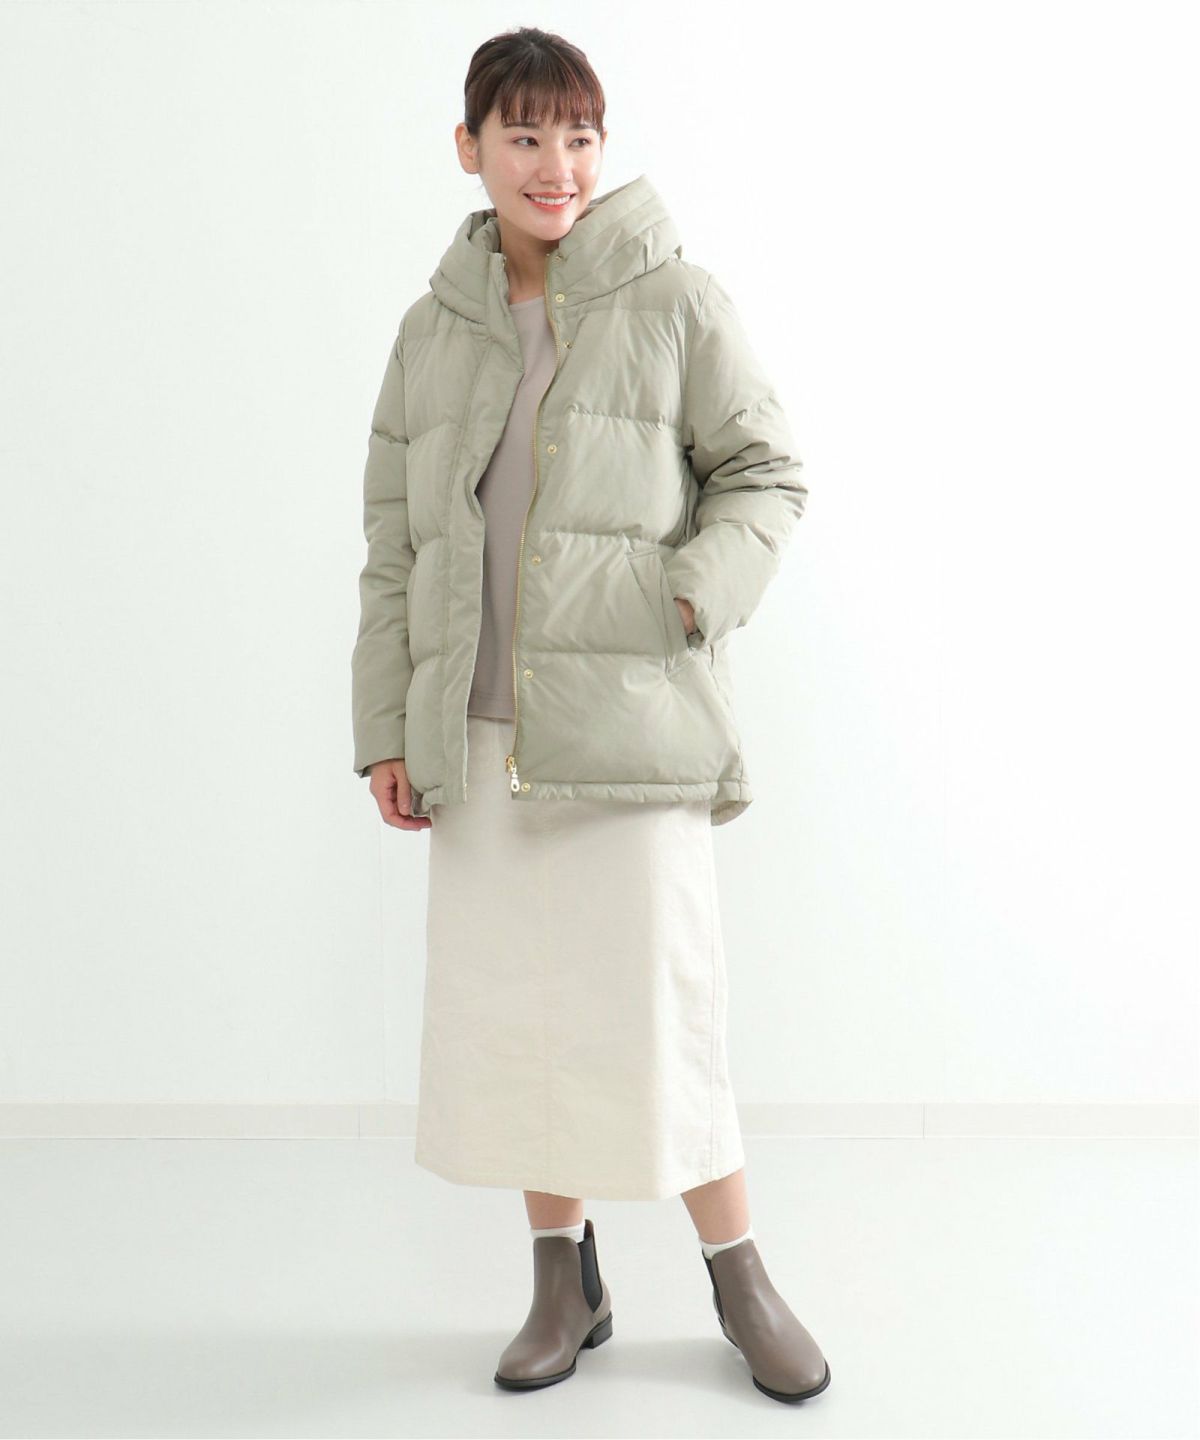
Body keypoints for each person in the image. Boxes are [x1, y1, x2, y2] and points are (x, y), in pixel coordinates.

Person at [350, 25, 830, 1405]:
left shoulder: (674, 298)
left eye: (578, 135)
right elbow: (393, 544)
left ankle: (739, 1277)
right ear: (470, 149)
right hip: (480, 738)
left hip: (631, 730)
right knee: (524, 1031)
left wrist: (688, 597)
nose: (556, 164)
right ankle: (564, 1282)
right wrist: (388, 727)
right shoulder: (432, 331)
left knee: (665, 1020)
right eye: (525, 136)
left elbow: (767, 474)